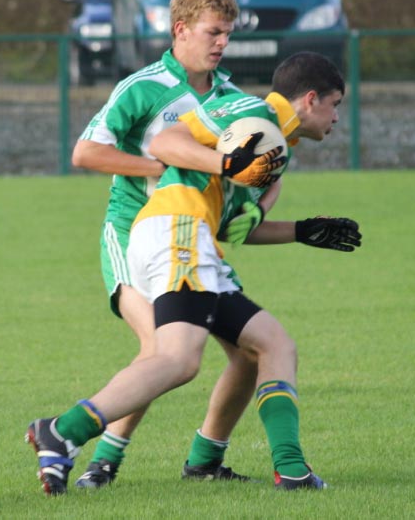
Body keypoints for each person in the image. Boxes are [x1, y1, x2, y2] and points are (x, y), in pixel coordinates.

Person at [26, 51, 362, 495]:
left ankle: (292, 470)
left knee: (273, 346)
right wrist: (229, 164)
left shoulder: (276, 146)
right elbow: (166, 143)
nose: (338, 117)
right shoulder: (251, 109)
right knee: (177, 359)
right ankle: (62, 431)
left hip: (193, 237)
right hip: (176, 231)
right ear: (312, 99)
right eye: (336, 104)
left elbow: (231, 227)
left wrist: (301, 231)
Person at [70, 0, 282, 489]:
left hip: (191, 238)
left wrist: (264, 185)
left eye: (227, 34)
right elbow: (85, 153)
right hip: (132, 234)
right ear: (180, 30)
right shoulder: (142, 87)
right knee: (160, 351)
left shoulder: (230, 97)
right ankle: (97, 463)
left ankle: (205, 460)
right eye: (213, 32)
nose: (221, 43)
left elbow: (244, 179)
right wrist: (159, 166)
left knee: (252, 352)